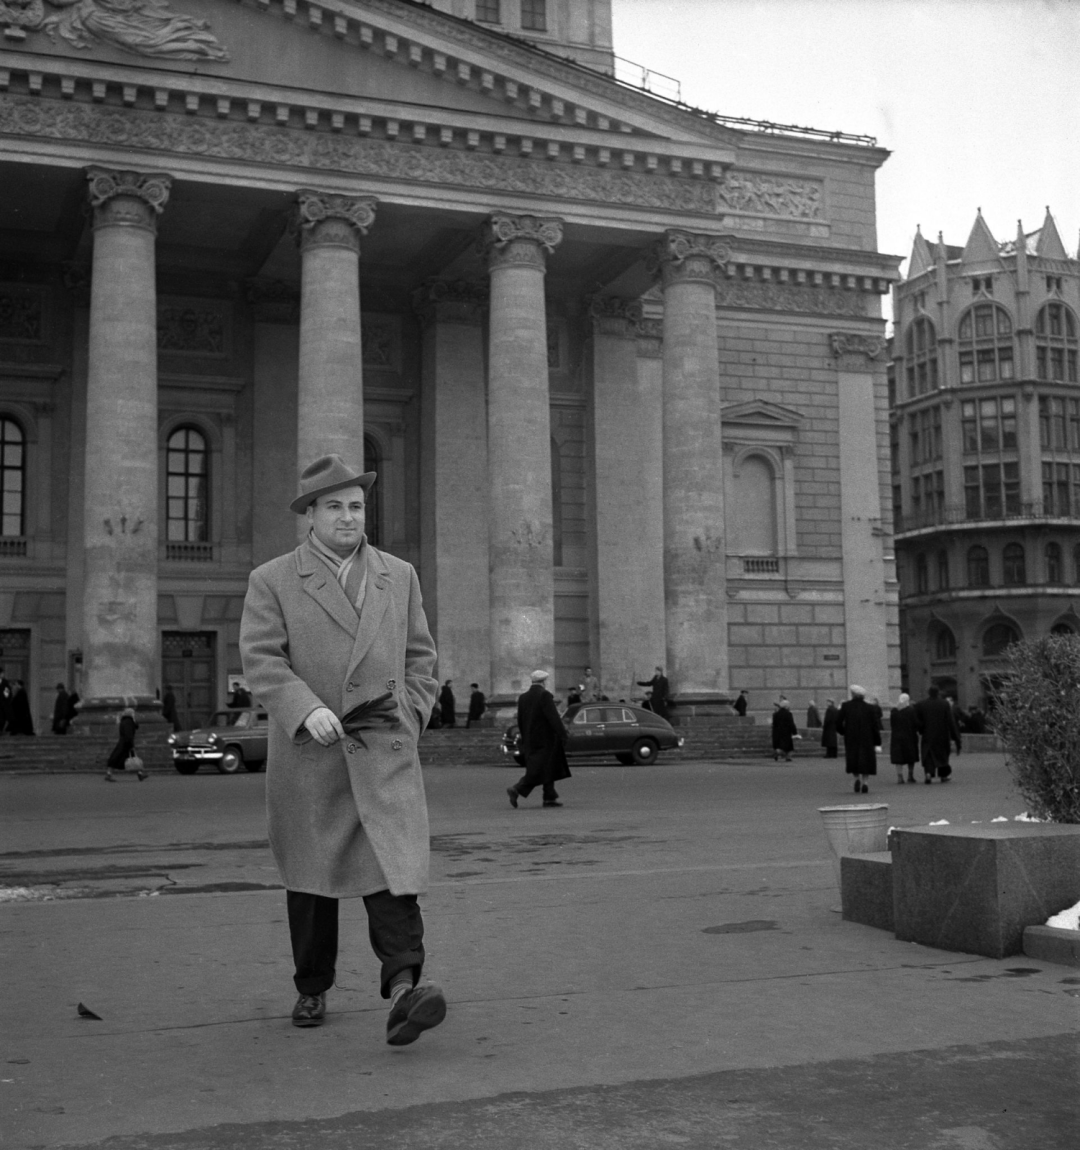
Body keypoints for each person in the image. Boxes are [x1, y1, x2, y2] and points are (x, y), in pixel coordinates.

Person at [240, 453, 444, 1043]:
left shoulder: (398, 574)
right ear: (311, 515)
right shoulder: (273, 579)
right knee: (312, 883)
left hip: (383, 749)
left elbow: (420, 659)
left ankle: (407, 988)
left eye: (356, 506)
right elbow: (261, 660)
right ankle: (312, 985)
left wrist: (410, 713)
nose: (348, 517)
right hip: (313, 753)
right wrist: (307, 709)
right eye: (335, 507)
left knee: (392, 872)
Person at [506, 669, 571, 809]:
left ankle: (549, 797)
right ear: (543, 682)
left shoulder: (523, 697)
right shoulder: (544, 695)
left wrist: (524, 737)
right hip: (546, 739)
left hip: (530, 738)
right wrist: (563, 734)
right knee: (540, 768)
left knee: (548, 766)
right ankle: (517, 788)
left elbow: (520, 720)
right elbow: (553, 717)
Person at [835, 684, 881, 794]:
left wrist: (843, 732)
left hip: (851, 737)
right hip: (867, 738)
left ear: (853, 695)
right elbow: (875, 726)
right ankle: (865, 782)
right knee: (867, 760)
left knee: (853, 758)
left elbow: (838, 722)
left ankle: (856, 779)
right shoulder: (870, 708)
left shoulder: (846, 706)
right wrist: (877, 741)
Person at [914, 684, 962, 784]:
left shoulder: (921, 704)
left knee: (928, 754)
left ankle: (928, 773)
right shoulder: (944, 704)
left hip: (928, 734)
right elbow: (950, 721)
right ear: (938, 692)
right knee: (942, 755)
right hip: (942, 734)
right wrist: (956, 738)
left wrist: (921, 729)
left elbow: (916, 720)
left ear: (929, 693)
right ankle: (943, 775)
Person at [105, 707, 146, 781]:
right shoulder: (128, 722)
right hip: (126, 743)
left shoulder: (125, 721)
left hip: (124, 742)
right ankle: (109, 774)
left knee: (121, 758)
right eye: (133, 713)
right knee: (122, 758)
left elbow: (136, 726)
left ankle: (140, 774)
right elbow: (129, 733)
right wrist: (130, 743)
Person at [889, 692, 919, 784]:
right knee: (911, 756)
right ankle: (910, 775)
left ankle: (900, 777)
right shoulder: (911, 710)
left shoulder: (894, 711)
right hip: (909, 736)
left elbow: (892, 724)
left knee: (898, 757)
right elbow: (916, 723)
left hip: (896, 737)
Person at [771, 696, 798, 762]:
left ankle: (778, 752)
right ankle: (786, 756)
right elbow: (791, 724)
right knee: (789, 747)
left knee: (781, 745)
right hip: (786, 733)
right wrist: (795, 732)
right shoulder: (788, 714)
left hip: (777, 733)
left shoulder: (776, 714)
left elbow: (774, 724)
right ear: (786, 706)